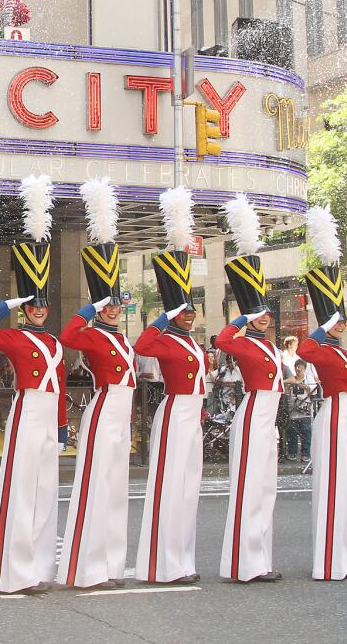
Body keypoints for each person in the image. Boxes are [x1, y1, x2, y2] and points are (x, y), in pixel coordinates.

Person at [0, 175, 65, 596]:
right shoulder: (14, 336)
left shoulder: (56, 342)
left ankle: (39, 566)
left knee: (46, 491)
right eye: (34, 306)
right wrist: (8, 303)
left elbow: (60, 386)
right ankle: (16, 570)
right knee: (23, 490)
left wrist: (63, 426)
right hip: (26, 411)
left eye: (43, 305)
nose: (40, 311)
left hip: (49, 417)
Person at [58, 180, 135, 590]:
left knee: (117, 488)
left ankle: (112, 565)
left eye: (117, 304)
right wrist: (89, 306)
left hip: (122, 415)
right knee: (96, 485)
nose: (114, 310)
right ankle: (87, 567)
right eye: (110, 305)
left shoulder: (122, 338)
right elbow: (69, 335)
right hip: (104, 408)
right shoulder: (91, 333)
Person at [134, 186, 206, 585]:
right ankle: (162, 564)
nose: (190, 318)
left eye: (192, 312)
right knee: (170, 486)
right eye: (185, 313)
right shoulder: (164, 337)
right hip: (175, 410)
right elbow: (143, 346)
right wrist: (163, 317)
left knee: (188, 489)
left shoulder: (192, 341)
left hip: (192, 412)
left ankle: (182, 560)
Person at [215, 194, 283, 584]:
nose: (264, 320)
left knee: (266, 490)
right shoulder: (243, 341)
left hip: (269, 416)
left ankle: (260, 560)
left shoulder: (270, 345)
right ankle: (244, 563)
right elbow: (223, 340)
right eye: (259, 317)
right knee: (249, 490)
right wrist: (241, 316)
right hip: (254, 411)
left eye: (266, 315)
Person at [296, 212, 347, 581]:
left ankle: (339, 559)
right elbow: (305, 350)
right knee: (332, 489)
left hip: (345, 415)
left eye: (342, 322)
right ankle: (329, 562)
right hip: (333, 414)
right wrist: (321, 326)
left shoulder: (342, 351)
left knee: (343, 491)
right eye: (336, 323)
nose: (341, 327)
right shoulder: (322, 348)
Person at [285, 361, 315, 462]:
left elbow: (314, 392)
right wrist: (289, 387)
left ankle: (306, 454)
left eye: (301, 367)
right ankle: (292, 453)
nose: (298, 369)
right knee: (292, 434)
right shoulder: (292, 380)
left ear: (305, 368)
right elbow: (286, 393)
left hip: (305, 412)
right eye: (297, 367)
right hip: (293, 412)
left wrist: (307, 388)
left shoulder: (308, 379)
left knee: (306, 434)